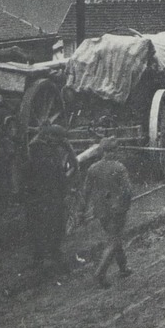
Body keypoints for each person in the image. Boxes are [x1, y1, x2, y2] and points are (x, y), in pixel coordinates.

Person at [24, 122, 78, 275]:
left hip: (42, 194)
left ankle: (42, 257)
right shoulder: (42, 149)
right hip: (47, 193)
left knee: (43, 225)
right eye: (57, 139)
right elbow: (62, 169)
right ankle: (50, 255)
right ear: (49, 137)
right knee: (51, 224)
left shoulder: (38, 147)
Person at [86, 142, 134, 287]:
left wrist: (82, 211)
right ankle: (100, 273)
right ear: (113, 151)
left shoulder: (92, 168)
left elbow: (86, 191)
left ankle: (123, 268)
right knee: (114, 240)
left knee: (115, 237)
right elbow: (127, 190)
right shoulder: (119, 168)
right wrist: (125, 205)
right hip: (116, 209)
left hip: (100, 211)